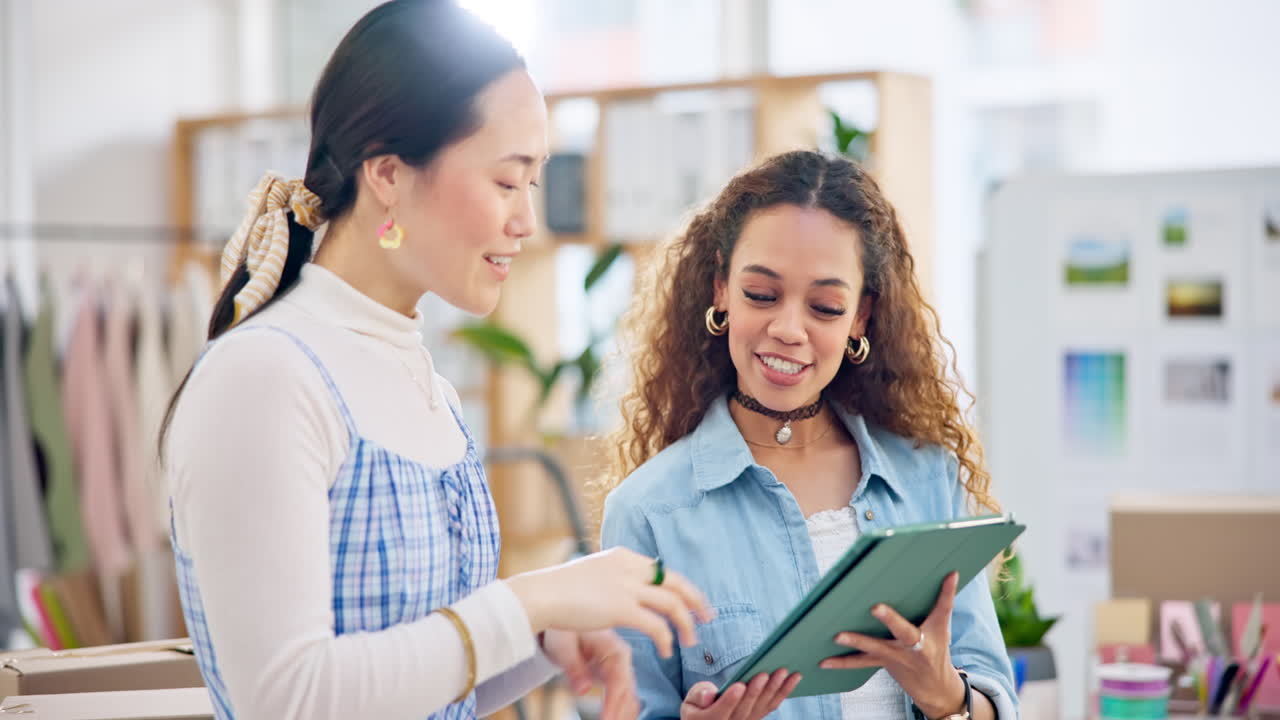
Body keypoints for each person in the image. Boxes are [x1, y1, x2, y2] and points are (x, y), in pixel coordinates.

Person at [161, 2, 710, 719]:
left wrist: (545, 639)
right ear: (388, 174)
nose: (527, 221)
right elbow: (288, 699)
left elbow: (420, 684)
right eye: (506, 181)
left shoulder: (428, 386)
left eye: (534, 183)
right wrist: (531, 599)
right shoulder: (264, 378)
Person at [598, 150, 1017, 720]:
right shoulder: (648, 514)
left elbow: (996, 697)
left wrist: (947, 695)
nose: (788, 329)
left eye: (825, 306)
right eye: (761, 295)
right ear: (720, 288)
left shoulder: (926, 479)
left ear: (861, 318)